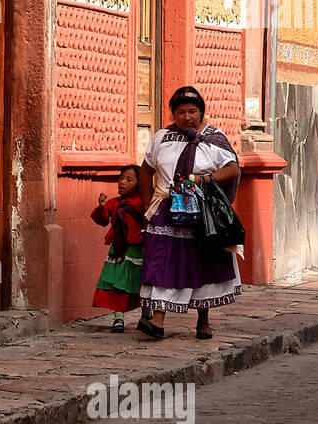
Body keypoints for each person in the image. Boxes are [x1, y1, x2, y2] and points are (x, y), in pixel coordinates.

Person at [136, 86, 243, 340]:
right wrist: (146, 204)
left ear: (202, 112)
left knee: (201, 261)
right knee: (164, 261)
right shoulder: (162, 137)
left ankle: (203, 320)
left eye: (192, 111)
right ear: (173, 113)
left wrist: (202, 180)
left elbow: (232, 169)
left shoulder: (213, 138)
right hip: (166, 211)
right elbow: (145, 170)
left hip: (202, 213)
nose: (186, 117)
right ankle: (158, 322)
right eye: (181, 111)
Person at [89, 164, 147, 332]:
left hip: (139, 249)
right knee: (117, 283)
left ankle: (147, 314)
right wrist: (101, 207)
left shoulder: (143, 203)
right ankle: (118, 318)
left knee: (142, 281)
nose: (122, 182)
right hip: (119, 251)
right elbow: (102, 220)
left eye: (129, 180)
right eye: (121, 178)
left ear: (139, 183)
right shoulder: (114, 203)